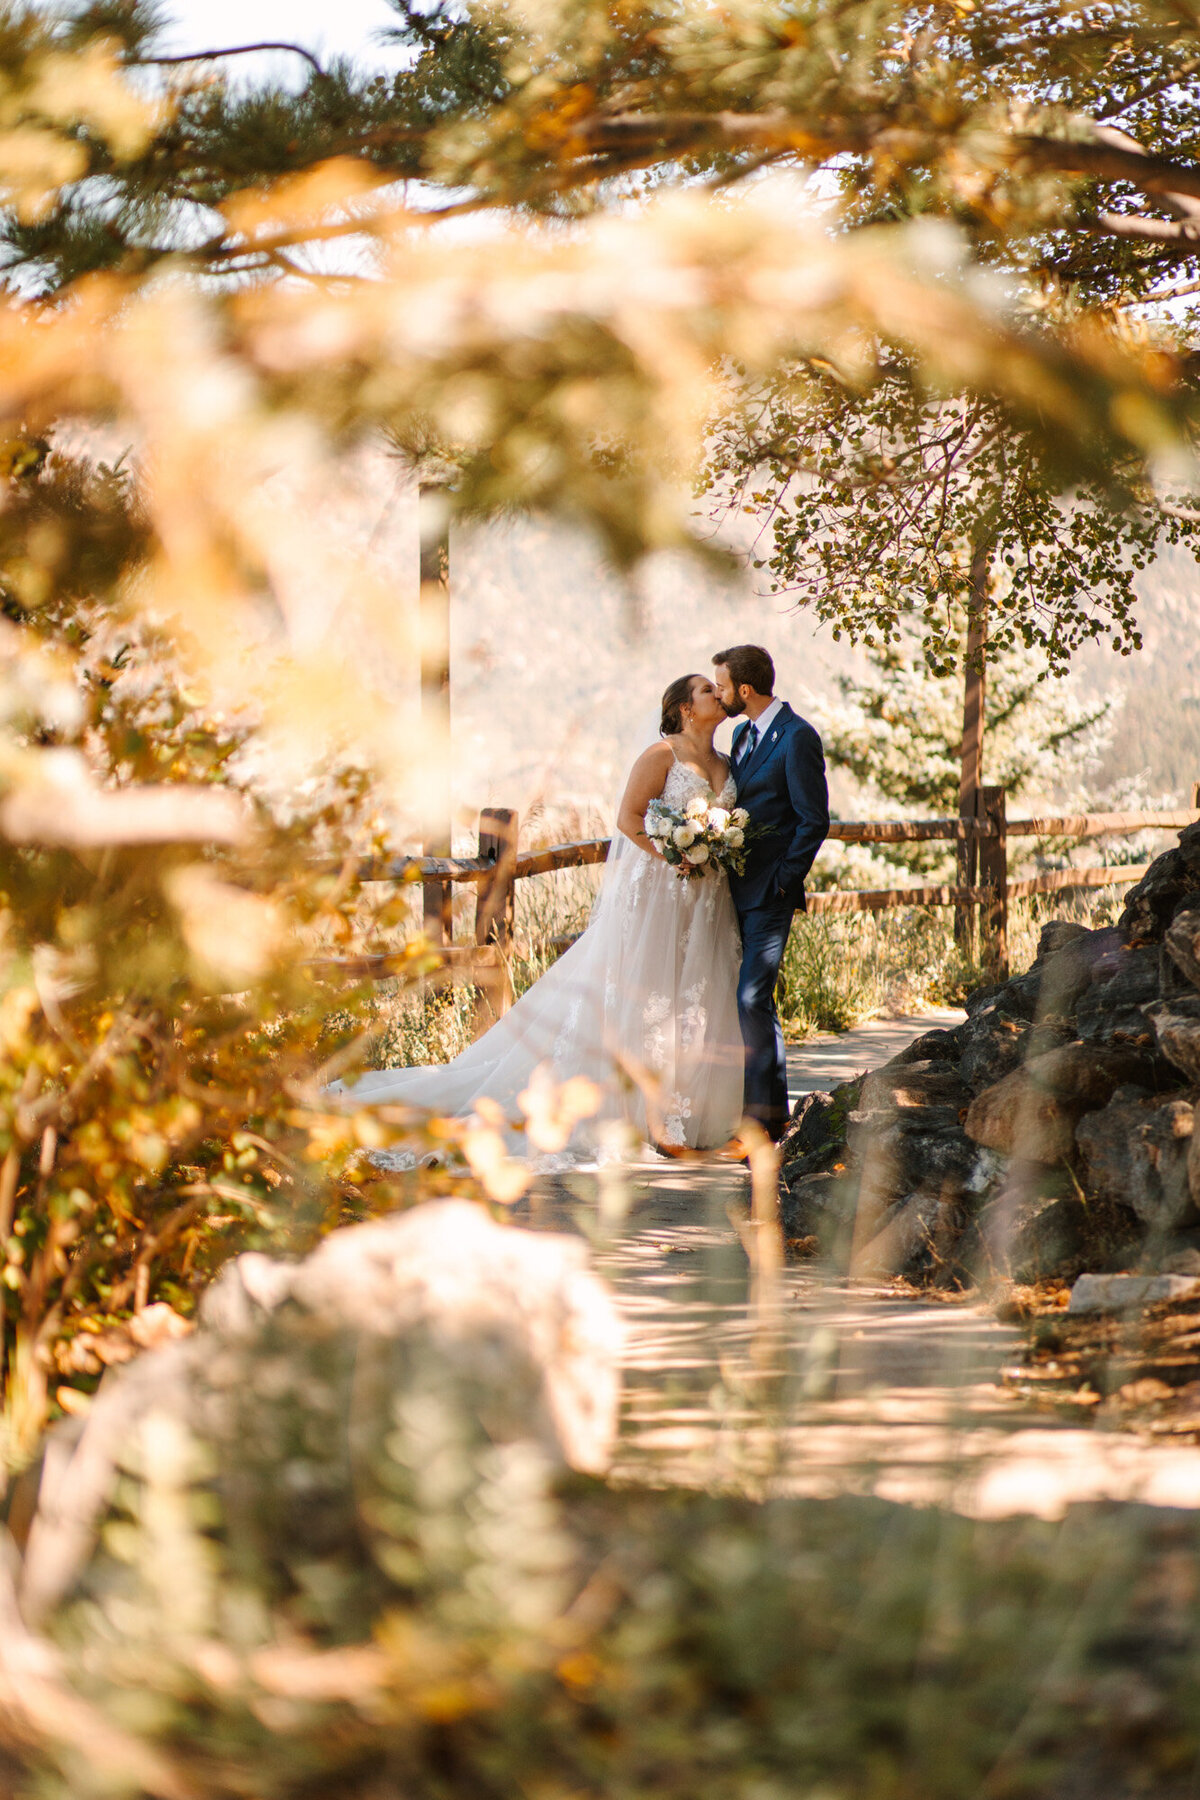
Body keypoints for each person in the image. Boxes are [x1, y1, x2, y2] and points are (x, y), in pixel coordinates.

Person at [332, 673, 744, 1159]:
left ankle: (691, 1111)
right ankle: (652, 1120)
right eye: (705, 690)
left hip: (706, 900)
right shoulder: (661, 755)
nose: (717, 694)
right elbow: (629, 819)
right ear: (683, 708)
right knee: (648, 994)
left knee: (692, 996)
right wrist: (674, 855)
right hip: (657, 893)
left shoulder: (725, 761)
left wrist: (714, 848)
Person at [711, 644, 829, 1141]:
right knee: (750, 1002)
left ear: (744, 689)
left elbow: (813, 819)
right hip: (730, 891)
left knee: (752, 997)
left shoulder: (797, 737)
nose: (717, 695)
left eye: (721, 686)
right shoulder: (741, 734)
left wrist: (785, 878)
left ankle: (762, 1121)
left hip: (771, 893)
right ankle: (768, 1112)